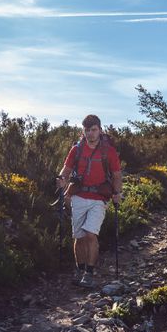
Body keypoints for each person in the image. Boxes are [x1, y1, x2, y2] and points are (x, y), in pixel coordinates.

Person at [57, 115, 123, 287]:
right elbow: (67, 168)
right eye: (87, 130)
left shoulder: (109, 151)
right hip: (78, 196)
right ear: (83, 131)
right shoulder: (77, 150)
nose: (90, 133)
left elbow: (116, 175)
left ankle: (89, 272)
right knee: (78, 236)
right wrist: (62, 178)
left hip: (99, 198)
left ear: (100, 130)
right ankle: (80, 269)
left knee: (90, 234)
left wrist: (117, 193)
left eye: (94, 130)